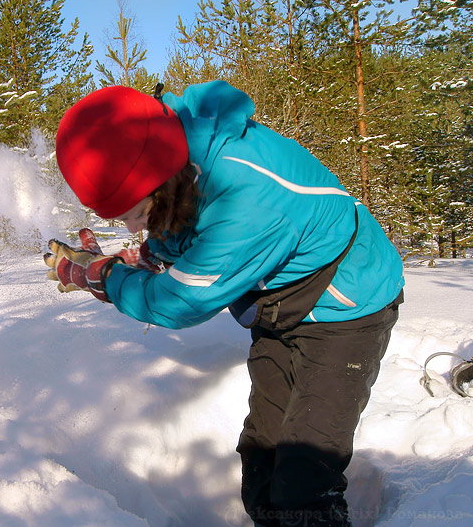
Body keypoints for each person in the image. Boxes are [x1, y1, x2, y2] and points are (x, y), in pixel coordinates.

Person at [44, 82, 404, 527]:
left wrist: (109, 278)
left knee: (304, 486)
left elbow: (178, 302)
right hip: (280, 310)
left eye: (134, 214)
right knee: (261, 463)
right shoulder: (177, 153)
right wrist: (142, 259)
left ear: (162, 177)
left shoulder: (247, 197)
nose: (133, 226)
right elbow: (182, 224)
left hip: (347, 311)